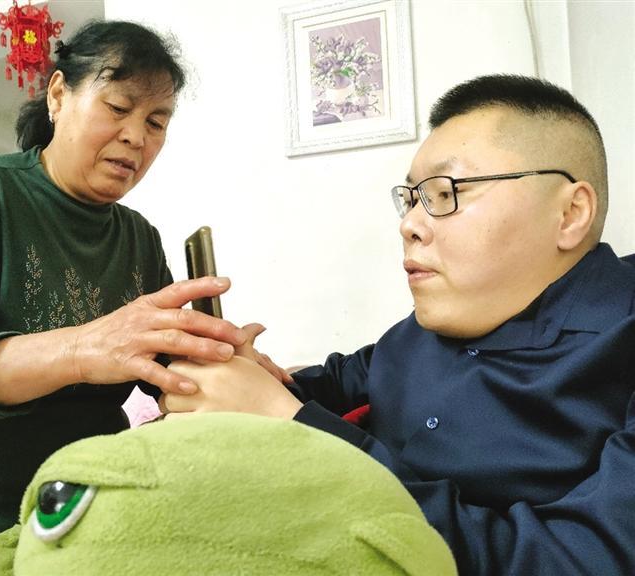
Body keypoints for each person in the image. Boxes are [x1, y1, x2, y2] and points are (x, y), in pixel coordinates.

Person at [160, 74, 635, 575]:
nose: (409, 224)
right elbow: (339, 381)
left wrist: (294, 429)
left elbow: (579, 560)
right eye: (410, 199)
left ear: (570, 213)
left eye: (446, 193)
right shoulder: (436, 323)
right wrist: (249, 378)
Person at [0, 20, 282, 576]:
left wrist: (219, 362)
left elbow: (153, 362)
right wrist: (81, 349)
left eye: (156, 122)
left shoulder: (139, 237)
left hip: (71, 524)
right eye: (118, 107)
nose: (136, 137)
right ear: (59, 95)